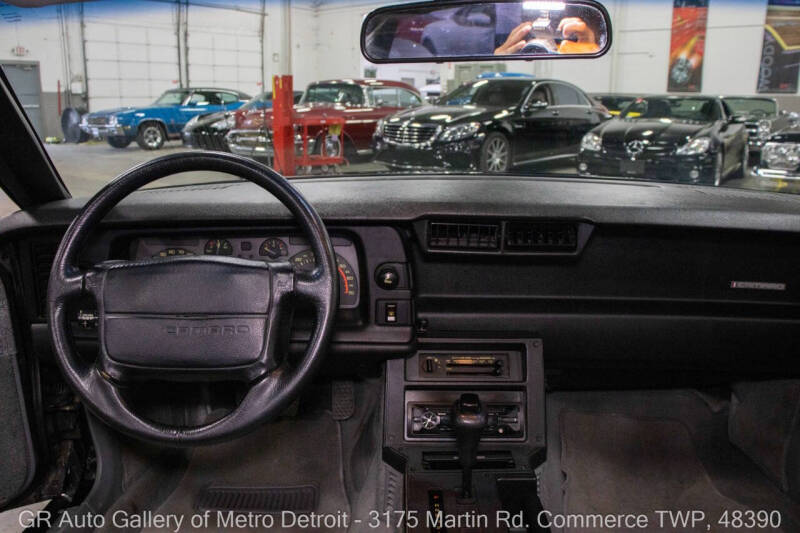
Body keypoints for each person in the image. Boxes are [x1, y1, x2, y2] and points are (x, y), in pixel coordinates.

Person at [494, 9, 603, 55]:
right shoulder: (506, 28)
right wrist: (500, 57)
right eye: (532, 37)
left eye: (556, 38)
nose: (537, 50)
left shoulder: (584, 12)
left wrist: (590, 49)